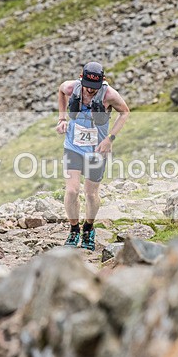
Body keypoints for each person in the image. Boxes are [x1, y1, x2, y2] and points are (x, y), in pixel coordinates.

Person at [56, 62, 129, 250]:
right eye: (88, 86)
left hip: (97, 150)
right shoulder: (72, 87)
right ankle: (74, 230)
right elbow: (61, 91)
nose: (90, 91)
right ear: (82, 78)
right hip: (73, 146)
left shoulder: (110, 95)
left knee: (90, 193)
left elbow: (125, 112)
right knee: (72, 190)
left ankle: (88, 227)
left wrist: (110, 139)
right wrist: (62, 118)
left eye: (95, 88)